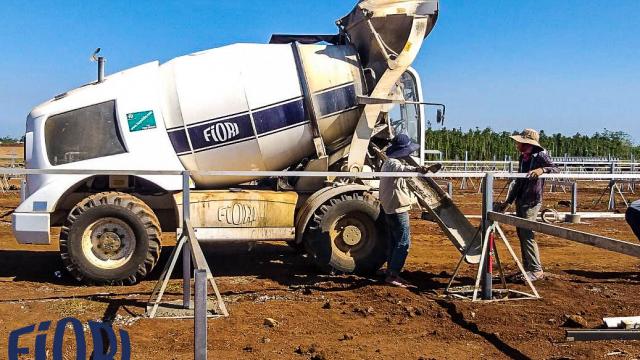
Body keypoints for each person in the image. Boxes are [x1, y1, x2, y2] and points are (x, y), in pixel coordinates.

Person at [495, 128, 559, 283]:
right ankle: (527, 268)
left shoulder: (540, 156)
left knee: (527, 234)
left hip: (532, 201)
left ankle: (536, 270)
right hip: (521, 199)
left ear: (526, 143)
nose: (517, 144)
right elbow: (519, 181)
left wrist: (541, 170)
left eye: (519, 142)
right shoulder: (523, 158)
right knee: (522, 234)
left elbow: (555, 169)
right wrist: (508, 201)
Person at [379, 134, 441, 288]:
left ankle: (390, 271)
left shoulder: (388, 162)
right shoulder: (394, 164)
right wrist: (420, 169)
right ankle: (393, 275)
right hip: (397, 207)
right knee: (403, 242)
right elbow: (404, 170)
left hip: (389, 206)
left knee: (394, 241)